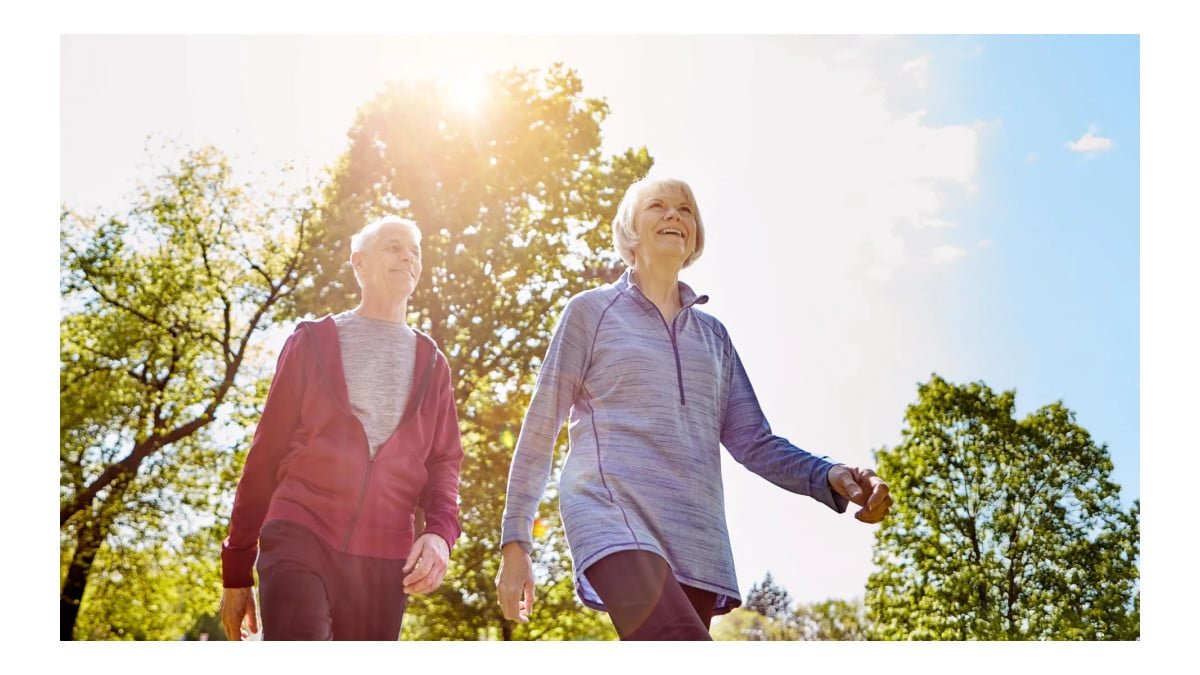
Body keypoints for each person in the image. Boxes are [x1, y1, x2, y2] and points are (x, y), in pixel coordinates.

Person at [496, 178, 892, 640]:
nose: (673, 216)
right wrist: (515, 540)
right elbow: (542, 424)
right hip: (611, 515)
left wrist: (829, 474)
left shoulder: (714, 337)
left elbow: (755, 441)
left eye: (684, 210)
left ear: (695, 234)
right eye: (657, 207)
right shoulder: (590, 313)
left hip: (697, 539)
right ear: (630, 230)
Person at [220, 215, 464, 641]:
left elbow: (444, 463)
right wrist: (237, 568)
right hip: (300, 532)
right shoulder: (312, 342)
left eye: (414, 251)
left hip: (385, 559)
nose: (407, 255)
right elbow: (266, 454)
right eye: (392, 246)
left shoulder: (432, 363)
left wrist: (440, 534)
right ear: (360, 263)